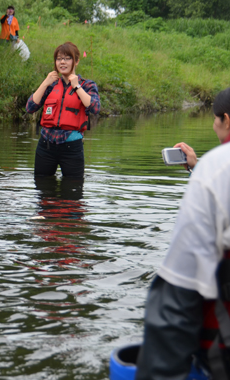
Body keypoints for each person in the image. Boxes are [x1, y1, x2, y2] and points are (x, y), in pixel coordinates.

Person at [136, 88, 230, 379]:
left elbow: (178, 295)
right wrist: (197, 166)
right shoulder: (213, 170)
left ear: (225, 120)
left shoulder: (217, 169)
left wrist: (203, 171)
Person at [26, 41, 100, 179]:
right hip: (46, 146)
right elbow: (30, 107)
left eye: (67, 58)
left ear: (76, 61)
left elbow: (95, 108)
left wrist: (77, 87)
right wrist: (44, 83)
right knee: (43, 190)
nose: (62, 62)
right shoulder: (51, 85)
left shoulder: (87, 85)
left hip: (72, 147)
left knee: (73, 193)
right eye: (59, 59)